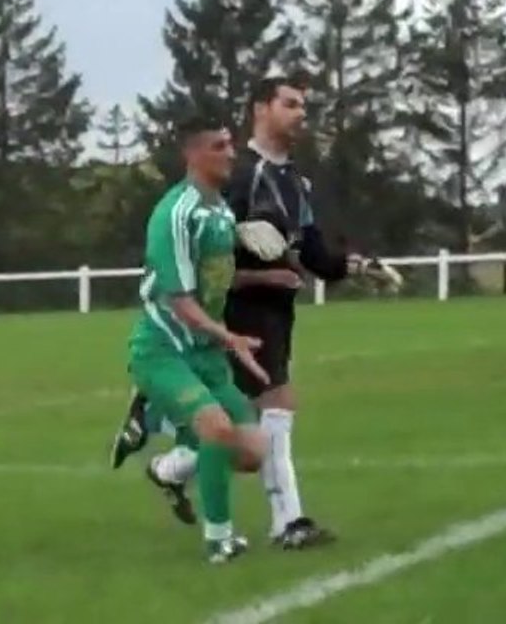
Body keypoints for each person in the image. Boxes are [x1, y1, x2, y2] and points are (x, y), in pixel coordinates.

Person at [112, 76, 402, 547]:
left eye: (304, 105)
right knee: (275, 407)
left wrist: (359, 265)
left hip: (276, 314)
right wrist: (257, 278)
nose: (300, 113)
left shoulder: (294, 182)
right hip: (238, 315)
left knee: (243, 431)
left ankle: (170, 463)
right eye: (290, 103)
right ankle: (287, 523)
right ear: (260, 110)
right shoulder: (238, 174)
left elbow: (313, 256)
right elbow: (204, 262)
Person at [125, 116, 279, 564]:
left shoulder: (221, 212)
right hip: (163, 350)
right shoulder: (175, 213)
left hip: (205, 353)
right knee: (216, 428)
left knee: (252, 452)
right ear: (192, 155)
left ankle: (169, 465)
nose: (231, 153)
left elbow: (217, 279)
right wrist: (229, 337)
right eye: (219, 146)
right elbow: (181, 301)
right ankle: (220, 540)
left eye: (231, 144)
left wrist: (267, 274)